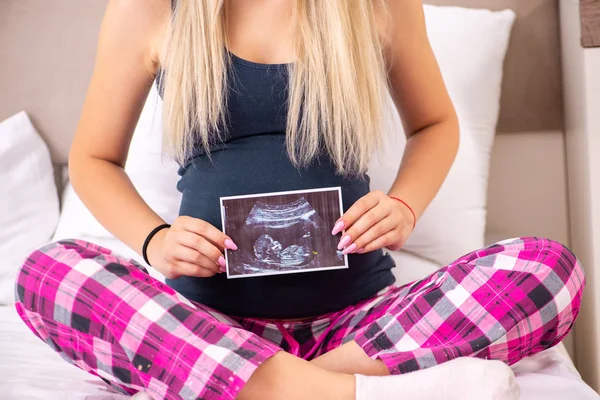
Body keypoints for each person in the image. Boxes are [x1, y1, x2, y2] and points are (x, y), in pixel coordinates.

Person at [15, 1, 584, 399]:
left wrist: (405, 206)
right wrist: (154, 241)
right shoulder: (151, 8)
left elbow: (434, 124)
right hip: (209, 323)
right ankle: (346, 393)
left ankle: (259, 387)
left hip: (361, 326)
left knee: (548, 271)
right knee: (46, 274)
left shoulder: (374, 5)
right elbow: (94, 160)